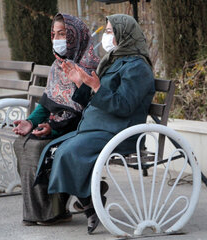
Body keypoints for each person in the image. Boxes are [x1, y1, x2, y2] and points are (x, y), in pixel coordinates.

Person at [34, 14, 155, 234]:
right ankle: (91, 200)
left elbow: (124, 105)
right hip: (98, 127)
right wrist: (81, 84)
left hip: (119, 132)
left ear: (124, 34)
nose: (106, 36)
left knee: (66, 153)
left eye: (110, 32)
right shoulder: (115, 60)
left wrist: (97, 87)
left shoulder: (137, 67)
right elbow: (93, 100)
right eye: (106, 31)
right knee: (54, 150)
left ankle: (90, 206)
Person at [12, 13, 99, 226]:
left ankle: (52, 211)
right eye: (54, 34)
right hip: (57, 124)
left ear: (75, 36)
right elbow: (47, 102)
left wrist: (53, 128)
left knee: (36, 147)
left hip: (81, 128)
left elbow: (85, 111)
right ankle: (44, 210)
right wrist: (30, 122)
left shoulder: (89, 67)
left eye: (62, 34)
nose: (56, 39)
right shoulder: (57, 65)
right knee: (22, 142)